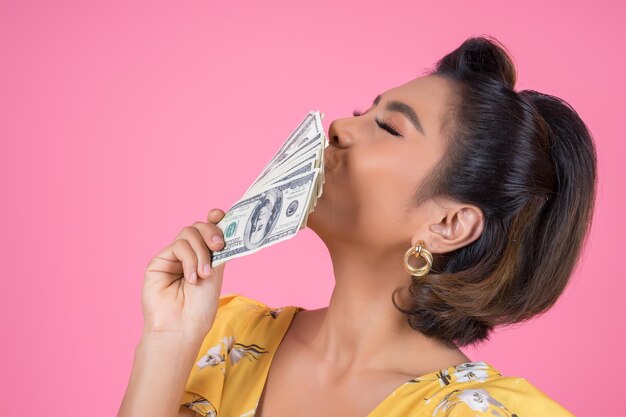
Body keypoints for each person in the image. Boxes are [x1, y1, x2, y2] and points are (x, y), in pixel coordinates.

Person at [117, 35, 597, 417]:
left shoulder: (487, 414)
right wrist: (168, 340)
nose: (340, 128)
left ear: (449, 223)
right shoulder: (222, 337)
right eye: (361, 112)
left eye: (389, 128)